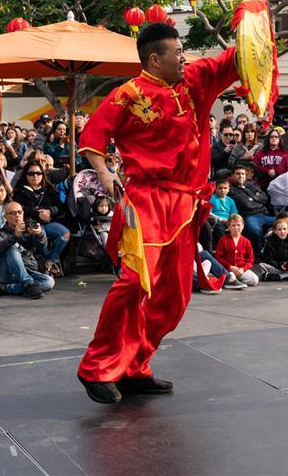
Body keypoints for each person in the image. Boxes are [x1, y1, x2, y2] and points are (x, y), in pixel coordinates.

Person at [76, 21, 239, 403]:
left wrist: (259, 33)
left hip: (185, 204)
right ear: (154, 58)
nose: (185, 58)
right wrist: (104, 172)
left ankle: (134, 365)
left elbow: (234, 62)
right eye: (177, 52)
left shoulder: (195, 80)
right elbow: (93, 139)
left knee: (175, 294)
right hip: (146, 199)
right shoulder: (126, 95)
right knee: (135, 282)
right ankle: (97, 367)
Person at [0, 201, 54, 300]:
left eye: (20, 212)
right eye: (13, 213)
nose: (17, 215)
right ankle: (28, 284)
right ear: (5, 217)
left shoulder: (29, 231)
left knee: (49, 282)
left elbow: (43, 250)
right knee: (11, 247)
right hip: (6, 275)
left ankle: (6, 289)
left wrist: (40, 234)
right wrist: (14, 237)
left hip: (27, 271)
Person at [13, 163, 68, 277]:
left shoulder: (49, 190)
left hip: (49, 223)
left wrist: (50, 211)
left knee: (65, 233)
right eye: (31, 173)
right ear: (26, 175)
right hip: (30, 225)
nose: (35, 176)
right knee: (39, 234)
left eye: (38, 173)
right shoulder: (19, 192)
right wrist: (38, 213)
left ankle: (49, 262)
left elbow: (61, 207)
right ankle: (49, 264)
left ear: (43, 175)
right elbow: (19, 210)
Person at [227, 164, 274, 253]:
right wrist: (258, 200)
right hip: (250, 216)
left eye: (242, 174)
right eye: (238, 174)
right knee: (254, 231)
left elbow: (265, 197)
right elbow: (246, 204)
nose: (241, 176)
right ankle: (258, 253)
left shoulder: (251, 185)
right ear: (232, 176)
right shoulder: (231, 190)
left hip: (264, 214)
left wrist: (252, 198)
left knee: (285, 221)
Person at [214, 214, 258, 289]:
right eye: (233, 225)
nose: (236, 228)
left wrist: (243, 269)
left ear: (243, 226)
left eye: (238, 225)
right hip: (228, 270)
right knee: (228, 275)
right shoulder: (223, 240)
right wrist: (229, 267)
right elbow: (218, 258)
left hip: (241, 270)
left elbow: (250, 260)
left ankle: (233, 281)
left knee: (254, 280)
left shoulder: (246, 242)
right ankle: (231, 280)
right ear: (229, 227)